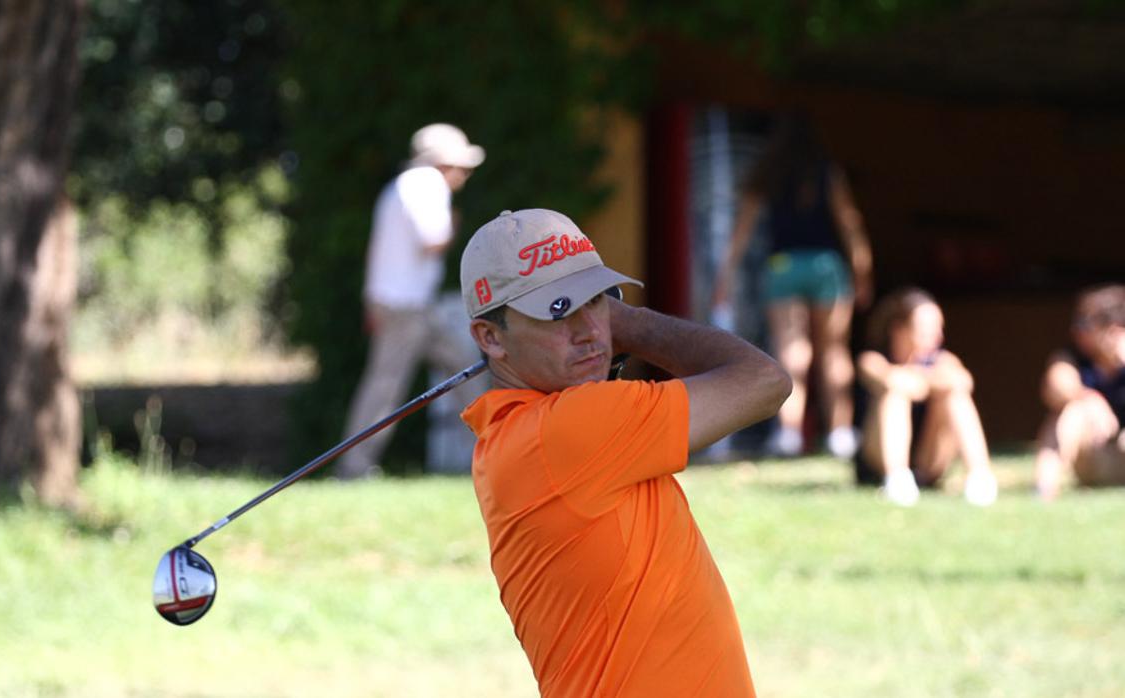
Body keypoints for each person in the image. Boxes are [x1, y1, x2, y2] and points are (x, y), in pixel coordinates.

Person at [459, 208, 791, 696]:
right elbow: (765, 382)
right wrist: (628, 322)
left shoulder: (520, 435)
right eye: (557, 311)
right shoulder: (571, 429)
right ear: (491, 338)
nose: (589, 329)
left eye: (596, 301)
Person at [711, 113, 873, 458]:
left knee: (791, 350)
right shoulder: (827, 172)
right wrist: (862, 270)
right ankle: (839, 433)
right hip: (826, 265)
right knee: (833, 350)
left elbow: (741, 229)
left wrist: (724, 279)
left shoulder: (769, 173)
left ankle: (788, 433)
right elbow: (849, 223)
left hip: (782, 266)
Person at [335, 124, 486, 480]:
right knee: (386, 389)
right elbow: (432, 241)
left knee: (465, 367)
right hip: (406, 308)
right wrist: (453, 225)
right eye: (461, 167)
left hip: (402, 304)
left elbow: (376, 251)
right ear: (442, 164)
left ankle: (497, 444)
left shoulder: (399, 187)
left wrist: (371, 302)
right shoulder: (427, 186)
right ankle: (353, 469)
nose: (464, 175)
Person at [855, 287, 998, 506]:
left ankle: (980, 476)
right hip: (877, 460)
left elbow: (963, 381)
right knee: (896, 394)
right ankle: (897, 478)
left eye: (938, 328)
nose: (937, 336)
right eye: (926, 329)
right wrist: (925, 380)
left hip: (927, 460)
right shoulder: (873, 359)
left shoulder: (943, 360)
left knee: (955, 395)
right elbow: (894, 381)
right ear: (899, 330)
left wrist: (924, 380)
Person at [1034, 283, 1125, 500]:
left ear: (1113, 330)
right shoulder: (1073, 358)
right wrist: (1088, 398)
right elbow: (1055, 385)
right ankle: (1043, 492)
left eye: (1084, 324)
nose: (1075, 331)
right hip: (1096, 458)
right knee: (1070, 413)